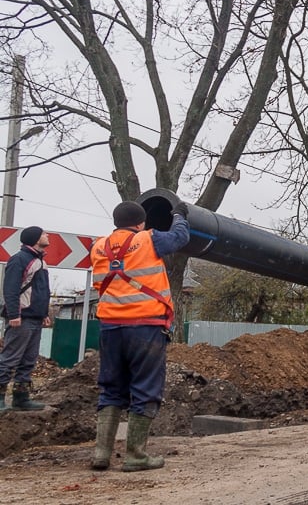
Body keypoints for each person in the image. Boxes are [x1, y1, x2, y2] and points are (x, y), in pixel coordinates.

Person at [90, 199, 190, 472]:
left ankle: (101, 454)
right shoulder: (149, 239)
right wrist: (179, 214)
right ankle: (135, 454)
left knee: (111, 388)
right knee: (145, 388)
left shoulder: (98, 246)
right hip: (145, 324)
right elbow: (180, 238)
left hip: (110, 326)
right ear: (141, 223)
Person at [0, 225, 52, 411]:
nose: (47, 235)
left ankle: (21, 398)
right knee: (10, 359)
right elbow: (10, 288)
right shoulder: (19, 259)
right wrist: (14, 314)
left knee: (28, 360)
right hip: (22, 317)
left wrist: (44, 313)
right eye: (44, 233)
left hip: (35, 317)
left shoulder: (41, 261)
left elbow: (42, 291)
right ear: (36, 238)